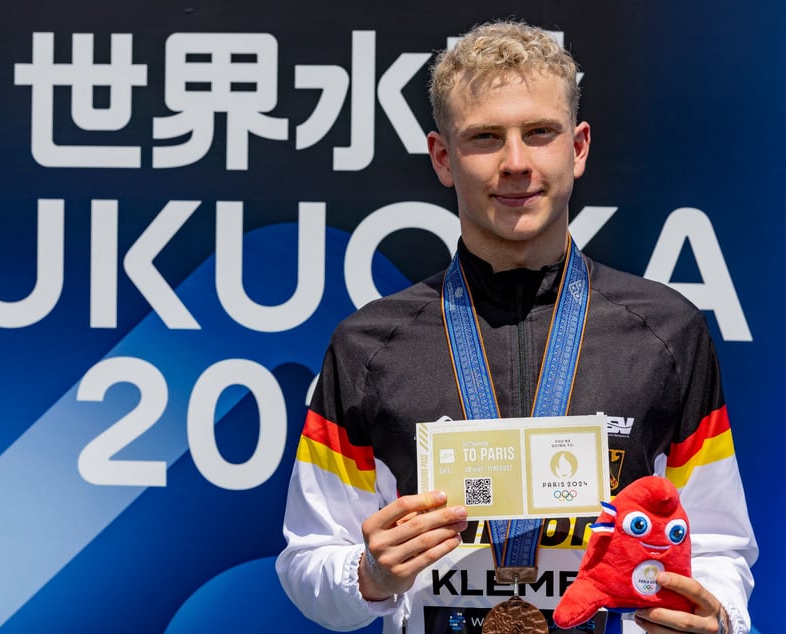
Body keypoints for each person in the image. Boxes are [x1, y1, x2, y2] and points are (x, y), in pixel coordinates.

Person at [276, 19, 757, 634]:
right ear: (443, 158)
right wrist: (366, 577)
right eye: (484, 138)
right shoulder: (369, 347)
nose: (515, 163)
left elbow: (718, 544)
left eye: (539, 132)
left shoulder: (667, 333)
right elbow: (308, 559)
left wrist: (716, 617)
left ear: (577, 148)